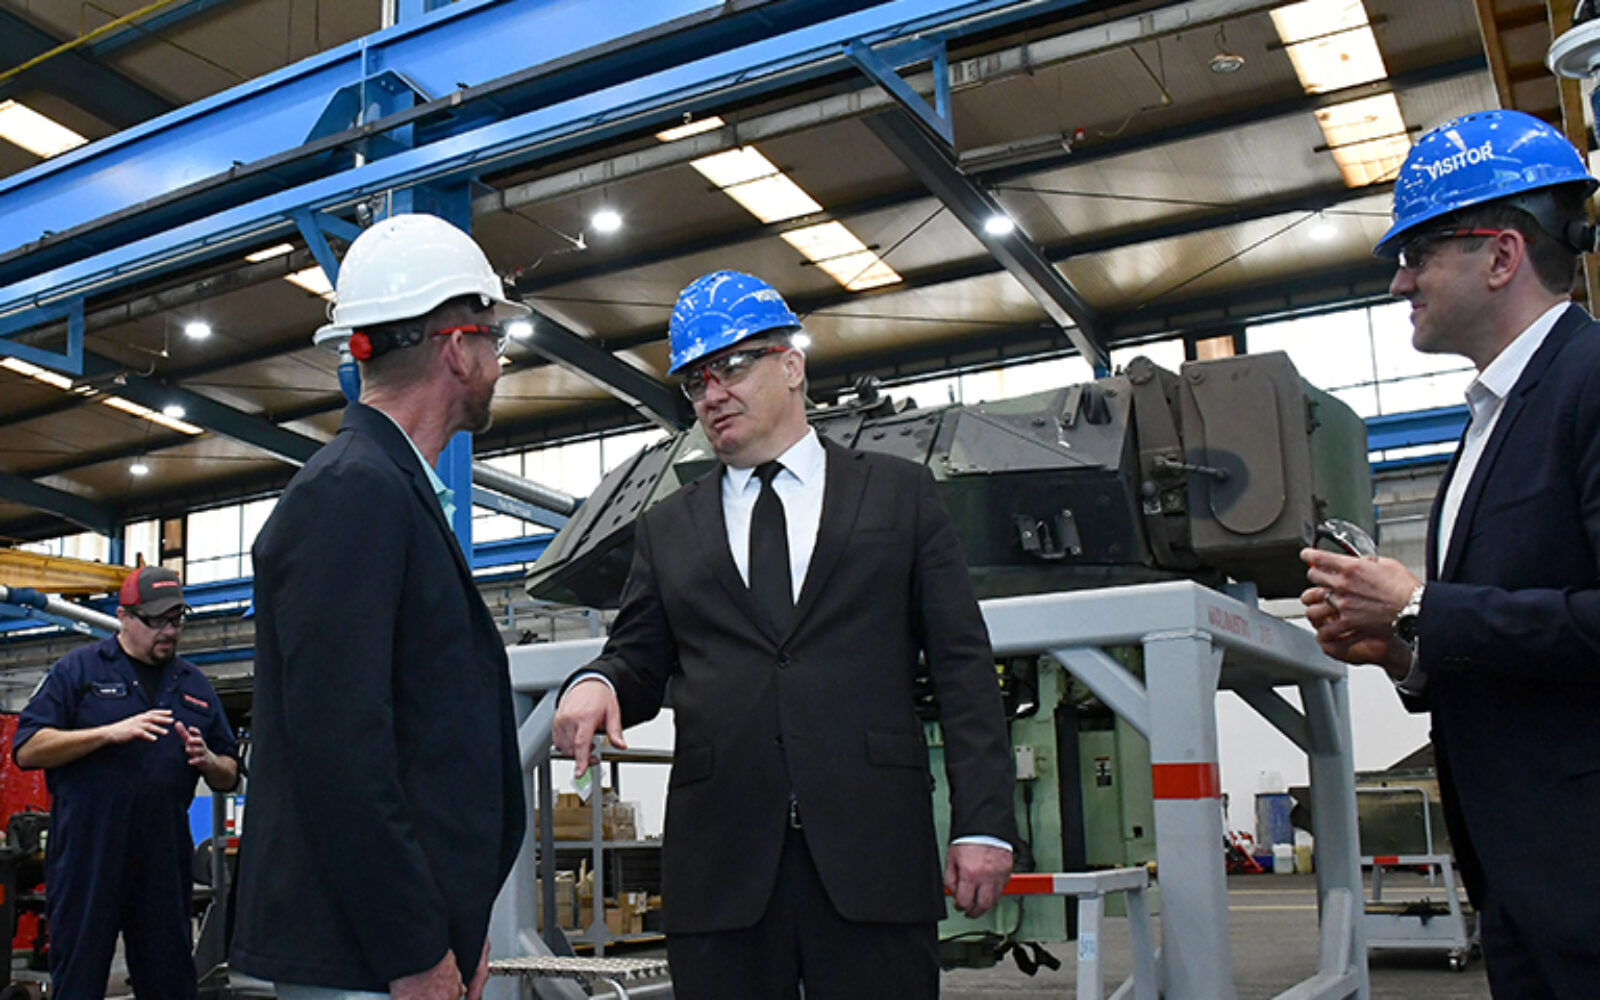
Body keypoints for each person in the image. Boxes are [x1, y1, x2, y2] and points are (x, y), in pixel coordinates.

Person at [553, 270, 1017, 1000]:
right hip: (723, 869)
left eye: (731, 367)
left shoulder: (899, 495)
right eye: (696, 381)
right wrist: (598, 681)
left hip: (873, 855)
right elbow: (639, 656)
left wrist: (983, 823)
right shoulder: (667, 526)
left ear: (792, 365)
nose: (712, 394)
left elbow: (963, 668)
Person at [1300, 110, 1600, 998]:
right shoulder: (1492, 419)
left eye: (1419, 253)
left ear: (1501, 256)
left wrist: (1421, 607)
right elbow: (1516, 640)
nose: (1401, 281)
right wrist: (1405, 651)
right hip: (1522, 878)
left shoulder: (1590, 383)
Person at [231, 214, 527, 1000]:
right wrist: (414, 949)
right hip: (365, 960)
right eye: (494, 338)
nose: (500, 361)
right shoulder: (353, 491)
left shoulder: (387, 489)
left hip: (394, 949)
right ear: (457, 348)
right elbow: (342, 751)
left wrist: (455, 926)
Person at [14, 565, 239, 1000]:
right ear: (123, 617)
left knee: (169, 982)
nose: (168, 632)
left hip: (162, 855)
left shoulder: (193, 684)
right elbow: (27, 749)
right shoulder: (78, 670)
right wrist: (108, 733)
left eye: (176, 620)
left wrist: (210, 762)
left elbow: (229, 771)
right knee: (79, 980)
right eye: (156, 621)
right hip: (89, 852)